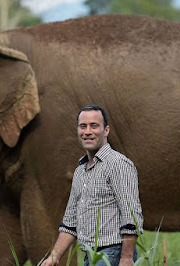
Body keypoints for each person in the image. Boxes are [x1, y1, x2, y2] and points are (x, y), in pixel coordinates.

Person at [42, 104, 143, 266]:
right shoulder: (80, 172)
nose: (88, 131)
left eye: (94, 126)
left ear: (106, 131)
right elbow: (70, 222)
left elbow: (131, 214)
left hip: (113, 253)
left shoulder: (118, 164)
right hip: (90, 255)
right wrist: (55, 256)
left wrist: (126, 257)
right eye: (83, 126)